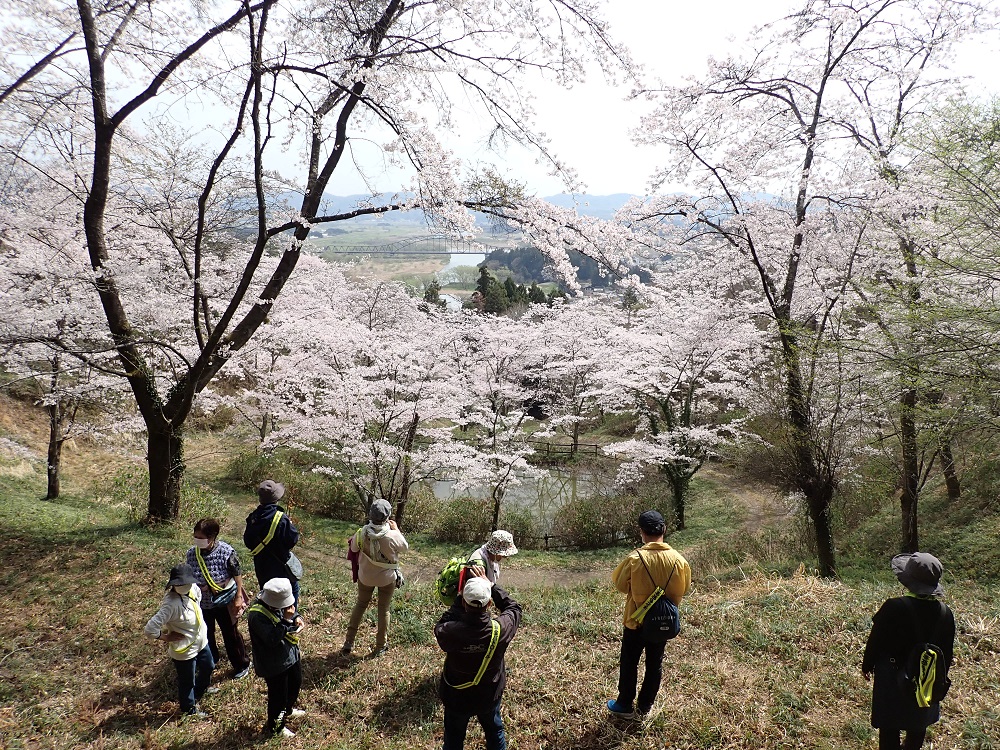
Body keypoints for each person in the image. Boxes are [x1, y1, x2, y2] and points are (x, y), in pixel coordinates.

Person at [862, 553, 956, 750]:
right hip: (926, 678)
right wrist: (939, 677)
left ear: (907, 581)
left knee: (889, 725)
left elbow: (876, 640)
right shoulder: (945, 613)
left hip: (892, 674)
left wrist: (867, 664)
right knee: (918, 723)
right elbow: (947, 654)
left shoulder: (893, 607)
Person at [606, 510, 691, 720]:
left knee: (629, 662)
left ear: (641, 532)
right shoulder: (679, 560)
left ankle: (624, 704)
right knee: (655, 663)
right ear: (664, 530)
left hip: (635, 621)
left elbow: (620, 585)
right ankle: (645, 707)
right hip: (662, 622)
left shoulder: (635, 558)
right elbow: (685, 588)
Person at [435, 575, 522, 750]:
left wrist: (460, 599)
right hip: (488, 695)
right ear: (489, 603)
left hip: (456, 697)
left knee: (453, 736)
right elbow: (514, 608)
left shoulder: (451, 632)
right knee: (494, 731)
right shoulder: (501, 629)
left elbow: (440, 626)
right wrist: (493, 586)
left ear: (464, 604)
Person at [144, 563, 215, 718]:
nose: (184, 586)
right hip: (185, 650)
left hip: (201, 642)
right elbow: (150, 629)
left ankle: (201, 689)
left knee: (209, 665)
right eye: (180, 583)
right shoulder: (170, 604)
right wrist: (166, 637)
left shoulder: (193, 589)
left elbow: (198, 602)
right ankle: (189, 709)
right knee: (186, 681)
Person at [185, 517, 252, 680]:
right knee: (207, 633)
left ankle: (241, 664)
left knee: (231, 634)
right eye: (196, 537)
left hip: (223, 602)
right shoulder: (192, 554)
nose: (198, 541)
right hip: (202, 603)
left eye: (202, 538)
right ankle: (211, 660)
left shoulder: (226, 552)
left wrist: (237, 598)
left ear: (213, 537)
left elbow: (237, 575)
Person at [342, 498, 409, 656]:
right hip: (386, 579)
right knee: (383, 609)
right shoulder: (392, 536)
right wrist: (397, 529)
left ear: (370, 515)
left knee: (360, 604)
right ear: (387, 517)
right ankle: (380, 646)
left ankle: (349, 641)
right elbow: (405, 548)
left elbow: (353, 547)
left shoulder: (362, 532)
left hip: (365, 576)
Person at [247, 578, 306, 739]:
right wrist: (287, 620)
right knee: (278, 695)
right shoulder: (257, 615)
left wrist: (296, 618)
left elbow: (291, 609)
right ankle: (276, 726)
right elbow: (271, 640)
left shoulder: (279, 604)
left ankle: (288, 709)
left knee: (296, 682)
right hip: (273, 662)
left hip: (290, 654)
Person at [244, 479, 301, 604]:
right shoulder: (281, 518)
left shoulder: (253, 517)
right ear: (276, 498)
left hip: (261, 566)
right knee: (292, 592)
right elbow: (292, 540)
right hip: (281, 566)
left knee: (268, 595)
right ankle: (290, 619)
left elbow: (248, 542)